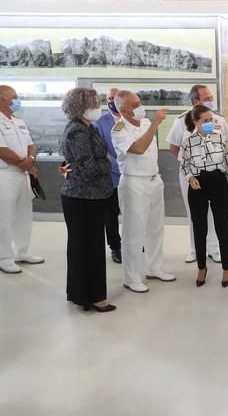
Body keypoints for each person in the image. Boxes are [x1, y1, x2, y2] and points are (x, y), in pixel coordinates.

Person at [111, 91, 175, 293]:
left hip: (154, 179)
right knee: (134, 232)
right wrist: (156, 123)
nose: (141, 107)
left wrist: (152, 123)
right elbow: (138, 148)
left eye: (140, 102)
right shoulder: (119, 129)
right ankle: (131, 277)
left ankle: (154, 268)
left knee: (155, 228)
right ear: (124, 110)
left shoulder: (146, 123)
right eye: (135, 104)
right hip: (134, 183)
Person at [59, 87, 116, 313]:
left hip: (88, 196)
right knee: (87, 248)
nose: (97, 107)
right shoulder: (78, 131)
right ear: (81, 106)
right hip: (83, 197)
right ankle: (93, 297)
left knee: (84, 247)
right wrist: (108, 162)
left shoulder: (85, 127)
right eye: (94, 103)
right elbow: (89, 167)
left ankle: (81, 294)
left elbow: (73, 163)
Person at [166, 84, 228, 264]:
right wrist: (189, 166)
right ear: (195, 101)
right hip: (191, 175)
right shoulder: (182, 121)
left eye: (211, 97)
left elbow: (227, 144)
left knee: (216, 212)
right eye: (207, 98)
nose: (211, 101)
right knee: (194, 212)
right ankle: (195, 248)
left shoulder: (217, 118)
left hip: (215, 173)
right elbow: (173, 147)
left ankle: (214, 248)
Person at [181, 105, 228, 288]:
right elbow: (184, 165)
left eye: (211, 120)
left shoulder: (220, 138)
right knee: (199, 228)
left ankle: (227, 268)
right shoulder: (188, 141)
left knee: (222, 227)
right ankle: (202, 268)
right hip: (198, 185)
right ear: (196, 122)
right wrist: (190, 178)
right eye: (205, 121)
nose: (210, 123)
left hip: (218, 183)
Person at [0, 85, 45, 274]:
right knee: (4, 217)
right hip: (5, 174)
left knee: (24, 215)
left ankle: (21, 252)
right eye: (14, 97)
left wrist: (31, 159)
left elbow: (31, 145)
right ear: (1, 99)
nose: (17, 100)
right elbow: (2, 150)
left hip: (23, 174)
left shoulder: (18, 121)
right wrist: (24, 162)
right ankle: (4, 257)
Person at [92, 87, 122, 263]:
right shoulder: (99, 123)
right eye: (110, 98)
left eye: (117, 98)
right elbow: (101, 150)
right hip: (110, 177)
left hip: (132, 176)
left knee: (133, 212)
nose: (113, 101)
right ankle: (116, 247)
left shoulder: (135, 120)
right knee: (111, 215)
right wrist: (117, 166)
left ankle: (134, 242)